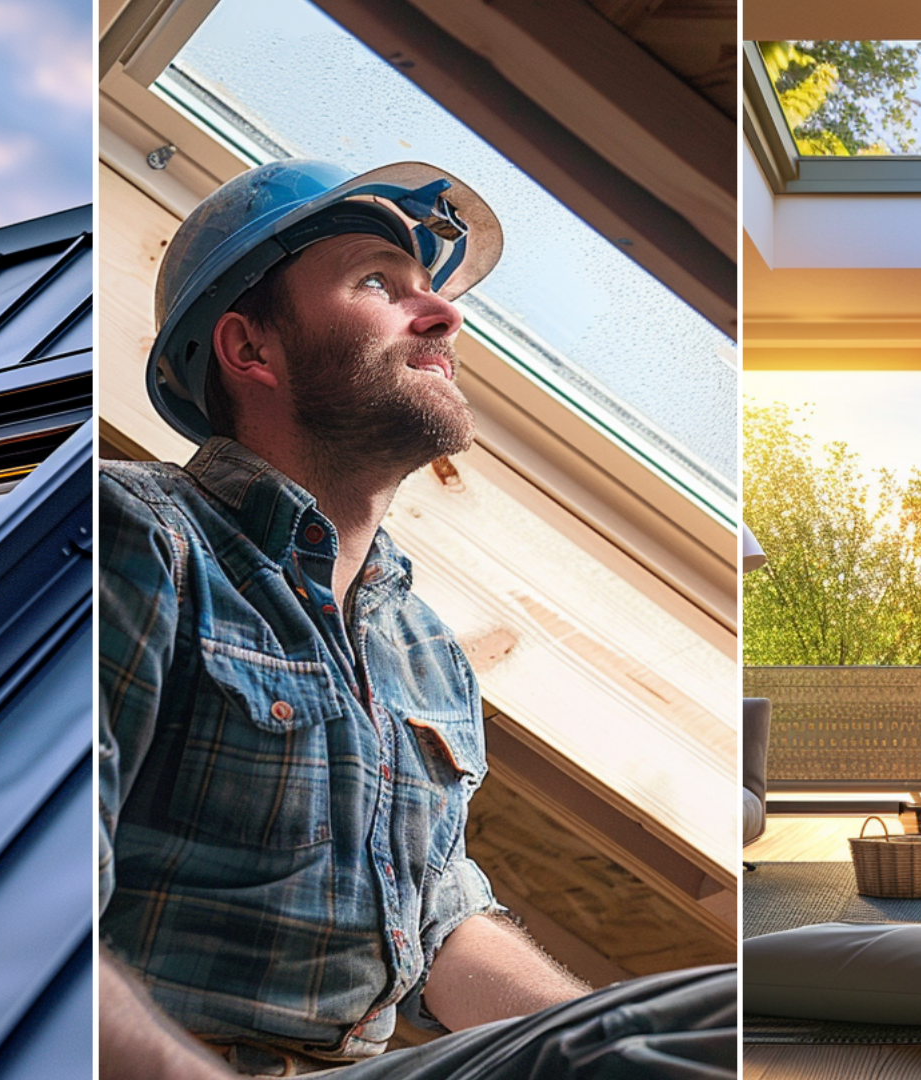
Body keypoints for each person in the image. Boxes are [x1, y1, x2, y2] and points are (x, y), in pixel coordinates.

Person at [99, 158, 735, 1078]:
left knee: (714, 1017)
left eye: (431, 289)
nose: (443, 315)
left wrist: (625, 1046)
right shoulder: (141, 536)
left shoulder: (427, 654)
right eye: (377, 284)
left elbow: (436, 924)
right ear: (250, 350)